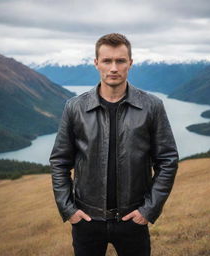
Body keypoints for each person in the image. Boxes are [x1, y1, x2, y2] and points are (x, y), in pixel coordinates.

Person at [50, 33, 179, 256]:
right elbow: (60, 162)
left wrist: (148, 211)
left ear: (130, 63)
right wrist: (69, 210)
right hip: (86, 221)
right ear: (96, 63)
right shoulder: (75, 107)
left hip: (133, 220)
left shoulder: (152, 106)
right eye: (107, 61)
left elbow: (167, 160)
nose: (113, 68)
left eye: (120, 61)